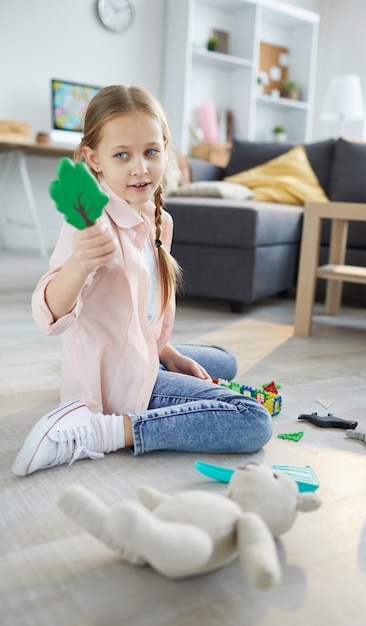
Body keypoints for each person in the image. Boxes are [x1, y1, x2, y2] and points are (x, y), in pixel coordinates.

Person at [12, 85, 272, 477]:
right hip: (119, 383)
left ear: (165, 148)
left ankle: (158, 366)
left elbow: (142, 311)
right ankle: (103, 431)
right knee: (252, 419)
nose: (141, 168)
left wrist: (164, 350)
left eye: (151, 151)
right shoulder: (89, 224)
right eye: (122, 155)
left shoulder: (158, 219)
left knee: (224, 361)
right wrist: (79, 265)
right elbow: (47, 315)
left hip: (137, 352)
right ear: (93, 160)